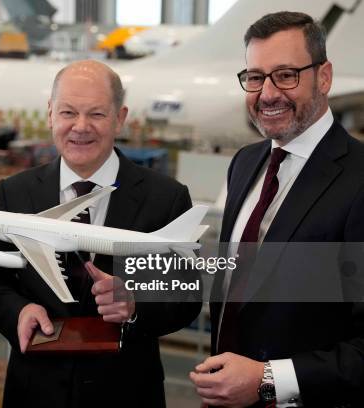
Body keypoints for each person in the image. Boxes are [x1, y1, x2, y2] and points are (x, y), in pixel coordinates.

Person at [0, 60, 201, 408]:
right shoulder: (14, 193)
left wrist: (135, 304)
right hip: (35, 391)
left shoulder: (167, 198)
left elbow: (187, 297)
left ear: (120, 117)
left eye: (96, 114)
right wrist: (18, 311)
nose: (80, 127)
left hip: (125, 391)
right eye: (68, 112)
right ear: (51, 114)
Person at [189, 12, 364, 408]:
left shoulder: (358, 180)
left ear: (324, 77)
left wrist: (267, 380)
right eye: (255, 77)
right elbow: (241, 279)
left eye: (286, 75)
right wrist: (137, 288)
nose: (267, 93)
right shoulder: (246, 163)